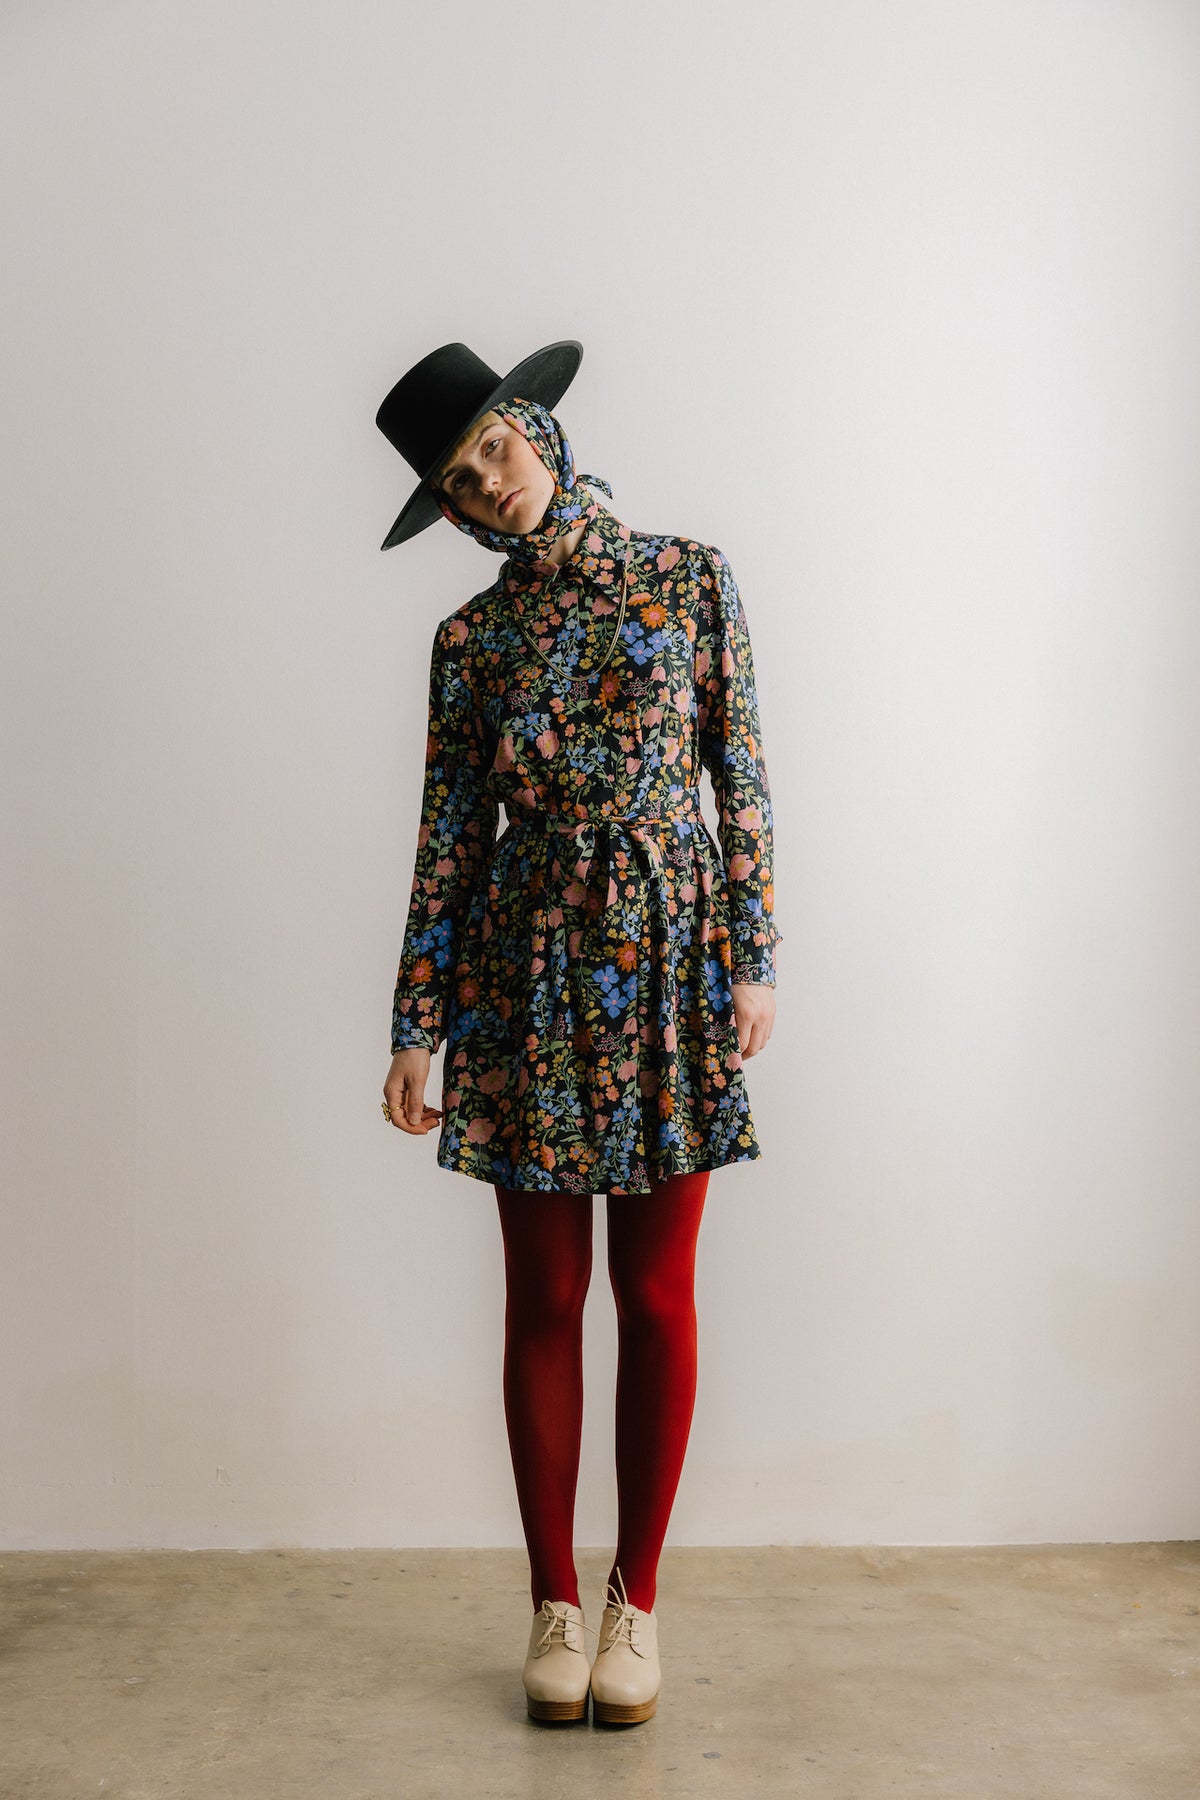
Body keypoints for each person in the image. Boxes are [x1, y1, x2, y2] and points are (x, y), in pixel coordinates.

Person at [374, 339, 782, 1726]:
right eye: (457, 482)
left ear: (534, 426)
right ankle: (554, 1600)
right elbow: (447, 839)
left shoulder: (691, 578)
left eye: (490, 447)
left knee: (655, 1293)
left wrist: (755, 959)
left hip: (672, 969)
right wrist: (416, 1022)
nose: (486, 484)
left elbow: (742, 778)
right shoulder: (470, 643)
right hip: (526, 976)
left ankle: (635, 1601)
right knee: (545, 1296)